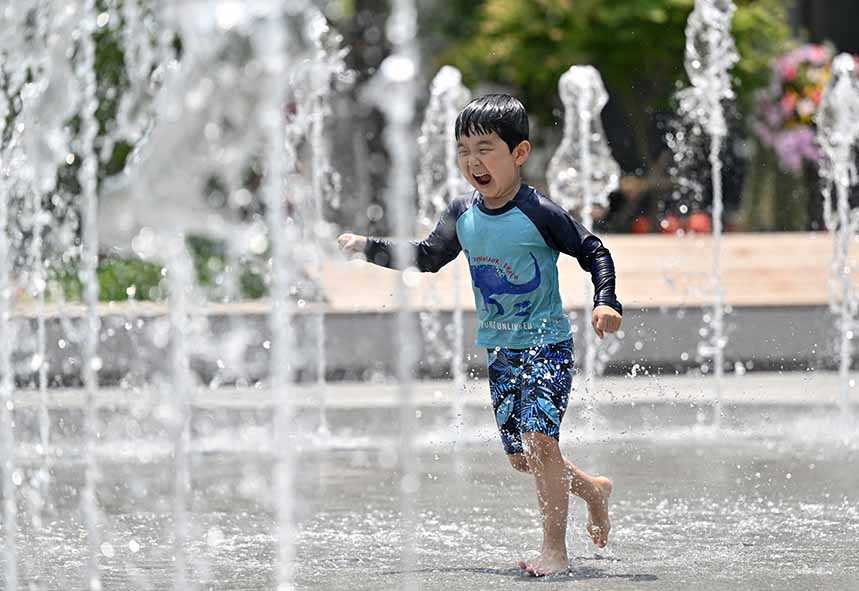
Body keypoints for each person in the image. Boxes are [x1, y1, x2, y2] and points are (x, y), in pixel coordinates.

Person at [337, 94, 622, 577]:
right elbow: (427, 257)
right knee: (521, 457)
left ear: (519, 153)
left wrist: (606, 300)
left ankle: (555, 550)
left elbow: (593, 250)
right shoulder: (462, 215)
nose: (473, 161)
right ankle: (593, 489)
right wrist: (369, 248)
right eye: (463, 150)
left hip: (546, 344)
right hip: (502, 352)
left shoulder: (539, 213)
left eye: (485, 148)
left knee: (540, 441)